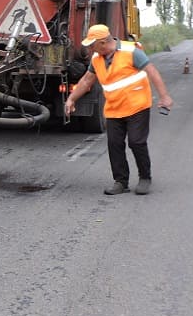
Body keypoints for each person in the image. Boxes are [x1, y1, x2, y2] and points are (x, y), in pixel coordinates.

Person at [63, 23, 173, 195]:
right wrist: (71, 99)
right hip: (114, 108)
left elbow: (152, 71)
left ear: (103, 42)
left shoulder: (131, 52)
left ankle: (145, 177)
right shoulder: (96, 59)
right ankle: (121, 182)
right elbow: (86, 81)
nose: (91, 49)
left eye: (92, 45)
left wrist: (164, 96)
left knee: (136, 142)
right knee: (114, 145)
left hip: (137, 106)